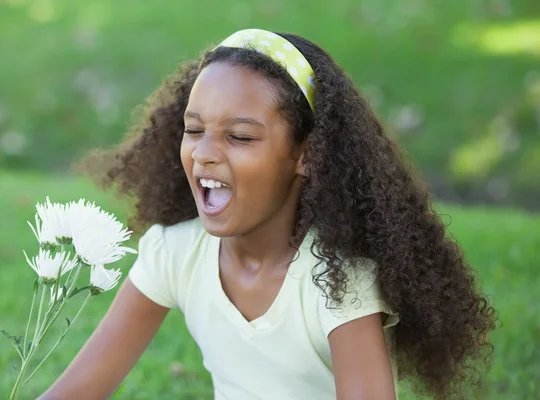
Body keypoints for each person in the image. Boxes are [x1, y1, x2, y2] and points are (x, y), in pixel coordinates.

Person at [40, 28, 497, 399]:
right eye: (194, 129)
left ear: (306, 155)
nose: (203, 154)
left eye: (240, 137)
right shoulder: (173, 254)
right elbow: (77, 391)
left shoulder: (338, 283)